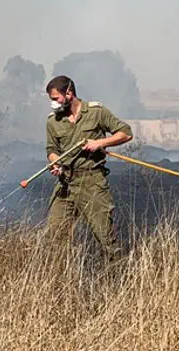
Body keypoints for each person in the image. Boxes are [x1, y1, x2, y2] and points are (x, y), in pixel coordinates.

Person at [44, 75, 133, 261]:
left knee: (105, 237)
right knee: (55, 237)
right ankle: (61, 275)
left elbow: (125, 133)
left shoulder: (96, 112)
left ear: (69, 93)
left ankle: (119, 272)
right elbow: (51, 150)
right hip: (65, 184)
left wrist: (99, 143)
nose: (53, 104)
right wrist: (55, 162)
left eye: (56, 98)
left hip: (92, 183)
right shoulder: (53, 121)